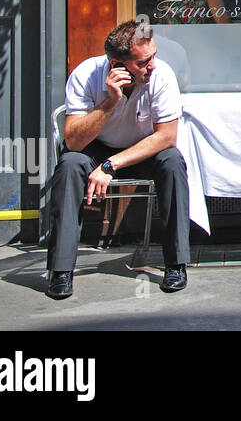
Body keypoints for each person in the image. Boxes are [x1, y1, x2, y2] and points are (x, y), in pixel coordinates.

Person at [44, 20, 190, 299]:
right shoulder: (86, 74)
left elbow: (166, 137)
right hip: (95, 146)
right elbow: (73, 141)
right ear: (117, 65)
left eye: (154, 56)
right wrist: (110, 101)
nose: (152, 66)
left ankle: (176, 264)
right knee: (70, 164)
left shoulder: (162, 76)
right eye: (143, 62)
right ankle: (61, 271)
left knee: (172, 161)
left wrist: (111, 166)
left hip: (141, 148)